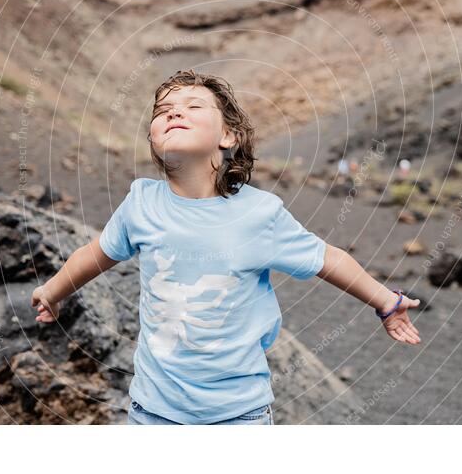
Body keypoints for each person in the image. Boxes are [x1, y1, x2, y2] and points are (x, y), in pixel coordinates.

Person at [30, 69, 421, 425]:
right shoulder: (142, 202)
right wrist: (52, 291)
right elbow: (94, 255)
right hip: (152, 413)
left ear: (228, 136)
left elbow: (327, 258)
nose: (173, 112)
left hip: (238, 417)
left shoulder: (259, 213)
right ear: (152, 137)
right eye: (162, 110)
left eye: (193, 105)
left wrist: (386, 301)